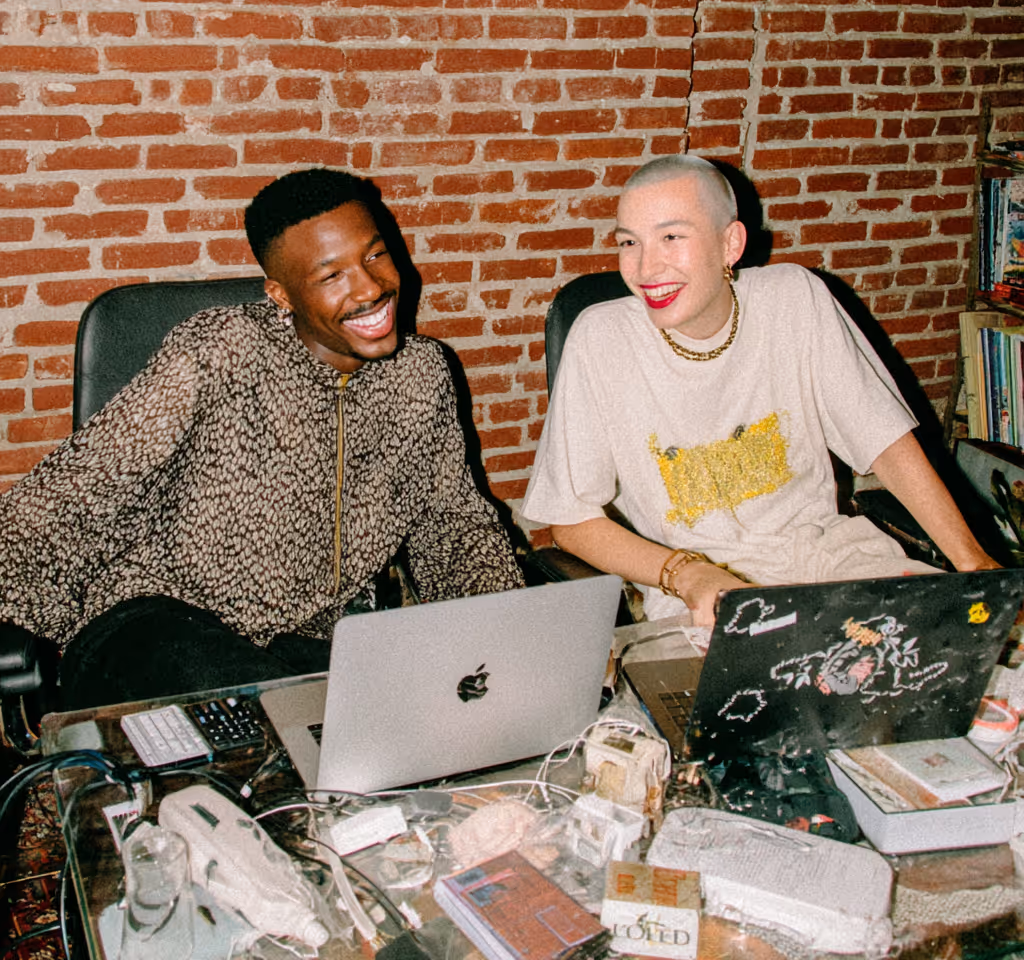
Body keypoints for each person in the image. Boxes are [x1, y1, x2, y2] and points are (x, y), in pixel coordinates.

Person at [0, 168, 524, 707]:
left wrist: (503, 635)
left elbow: (452, 523)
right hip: (155, 625)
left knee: (409, 713)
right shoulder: (220, 351)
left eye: (375, 255)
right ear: (281, 295)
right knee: (280, 714)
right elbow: (67, 496)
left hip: (304, 640)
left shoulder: (421, 373)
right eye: (331, 275)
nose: (370, 288)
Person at [521, 154, 999, 628]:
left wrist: (975, 564)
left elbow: (887, 444)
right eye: (629, 242)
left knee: (966, 642)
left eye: (671, 237)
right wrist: (687, 574)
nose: (646, 268)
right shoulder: (601, 339)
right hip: (702, 593)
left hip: (832, 561)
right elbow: (571, 521)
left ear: (730, 243)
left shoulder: (795, 297)